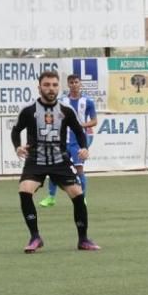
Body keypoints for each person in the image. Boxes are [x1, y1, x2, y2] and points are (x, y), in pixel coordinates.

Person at [11, 70, 99, 253]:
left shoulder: (67, 110)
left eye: (54, 85)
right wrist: (17, 146)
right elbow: (16, 130)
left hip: (60, 159)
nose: (51, 89)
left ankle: (83, 239)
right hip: (36, 159)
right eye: (47, 85)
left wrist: (84, 148)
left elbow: (79, 131)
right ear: (39, 87)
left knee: (77, 193)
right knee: (25, 190)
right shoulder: (29, 111)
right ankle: (35, 237)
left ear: (58, 87)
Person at [40, 74, 97, 207]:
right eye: (71, 82)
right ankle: (51, 198)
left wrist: (79, 126)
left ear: (80, 84)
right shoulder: (62, 101)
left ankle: (82, 198)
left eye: (76, 82)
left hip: (78, 141)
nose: (74, 84)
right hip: (62, 141)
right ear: (68, 84)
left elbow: (94, 121)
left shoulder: (88, 101)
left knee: (79, 169)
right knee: (54, 169)